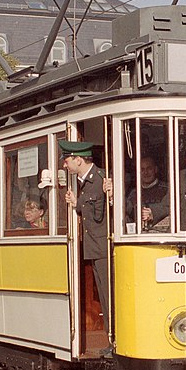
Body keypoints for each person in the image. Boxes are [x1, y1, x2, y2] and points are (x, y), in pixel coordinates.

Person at [61, 140, 113, 345]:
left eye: (67, 161)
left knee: (109, 298)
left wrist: (112, 195)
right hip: (94, 248)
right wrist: (77, 205)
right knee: (104, 297)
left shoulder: (101, 179)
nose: (65, 165)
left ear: (78, 159)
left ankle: (113, 341)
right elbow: (92, 213)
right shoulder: (85, 184)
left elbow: (115, 211)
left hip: (103, 249)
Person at [126, 155, 168, 230]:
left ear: (155, 169)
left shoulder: (167, 190)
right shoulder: (133, 193)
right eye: (142, 169)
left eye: (149, 168)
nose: (146, 172)